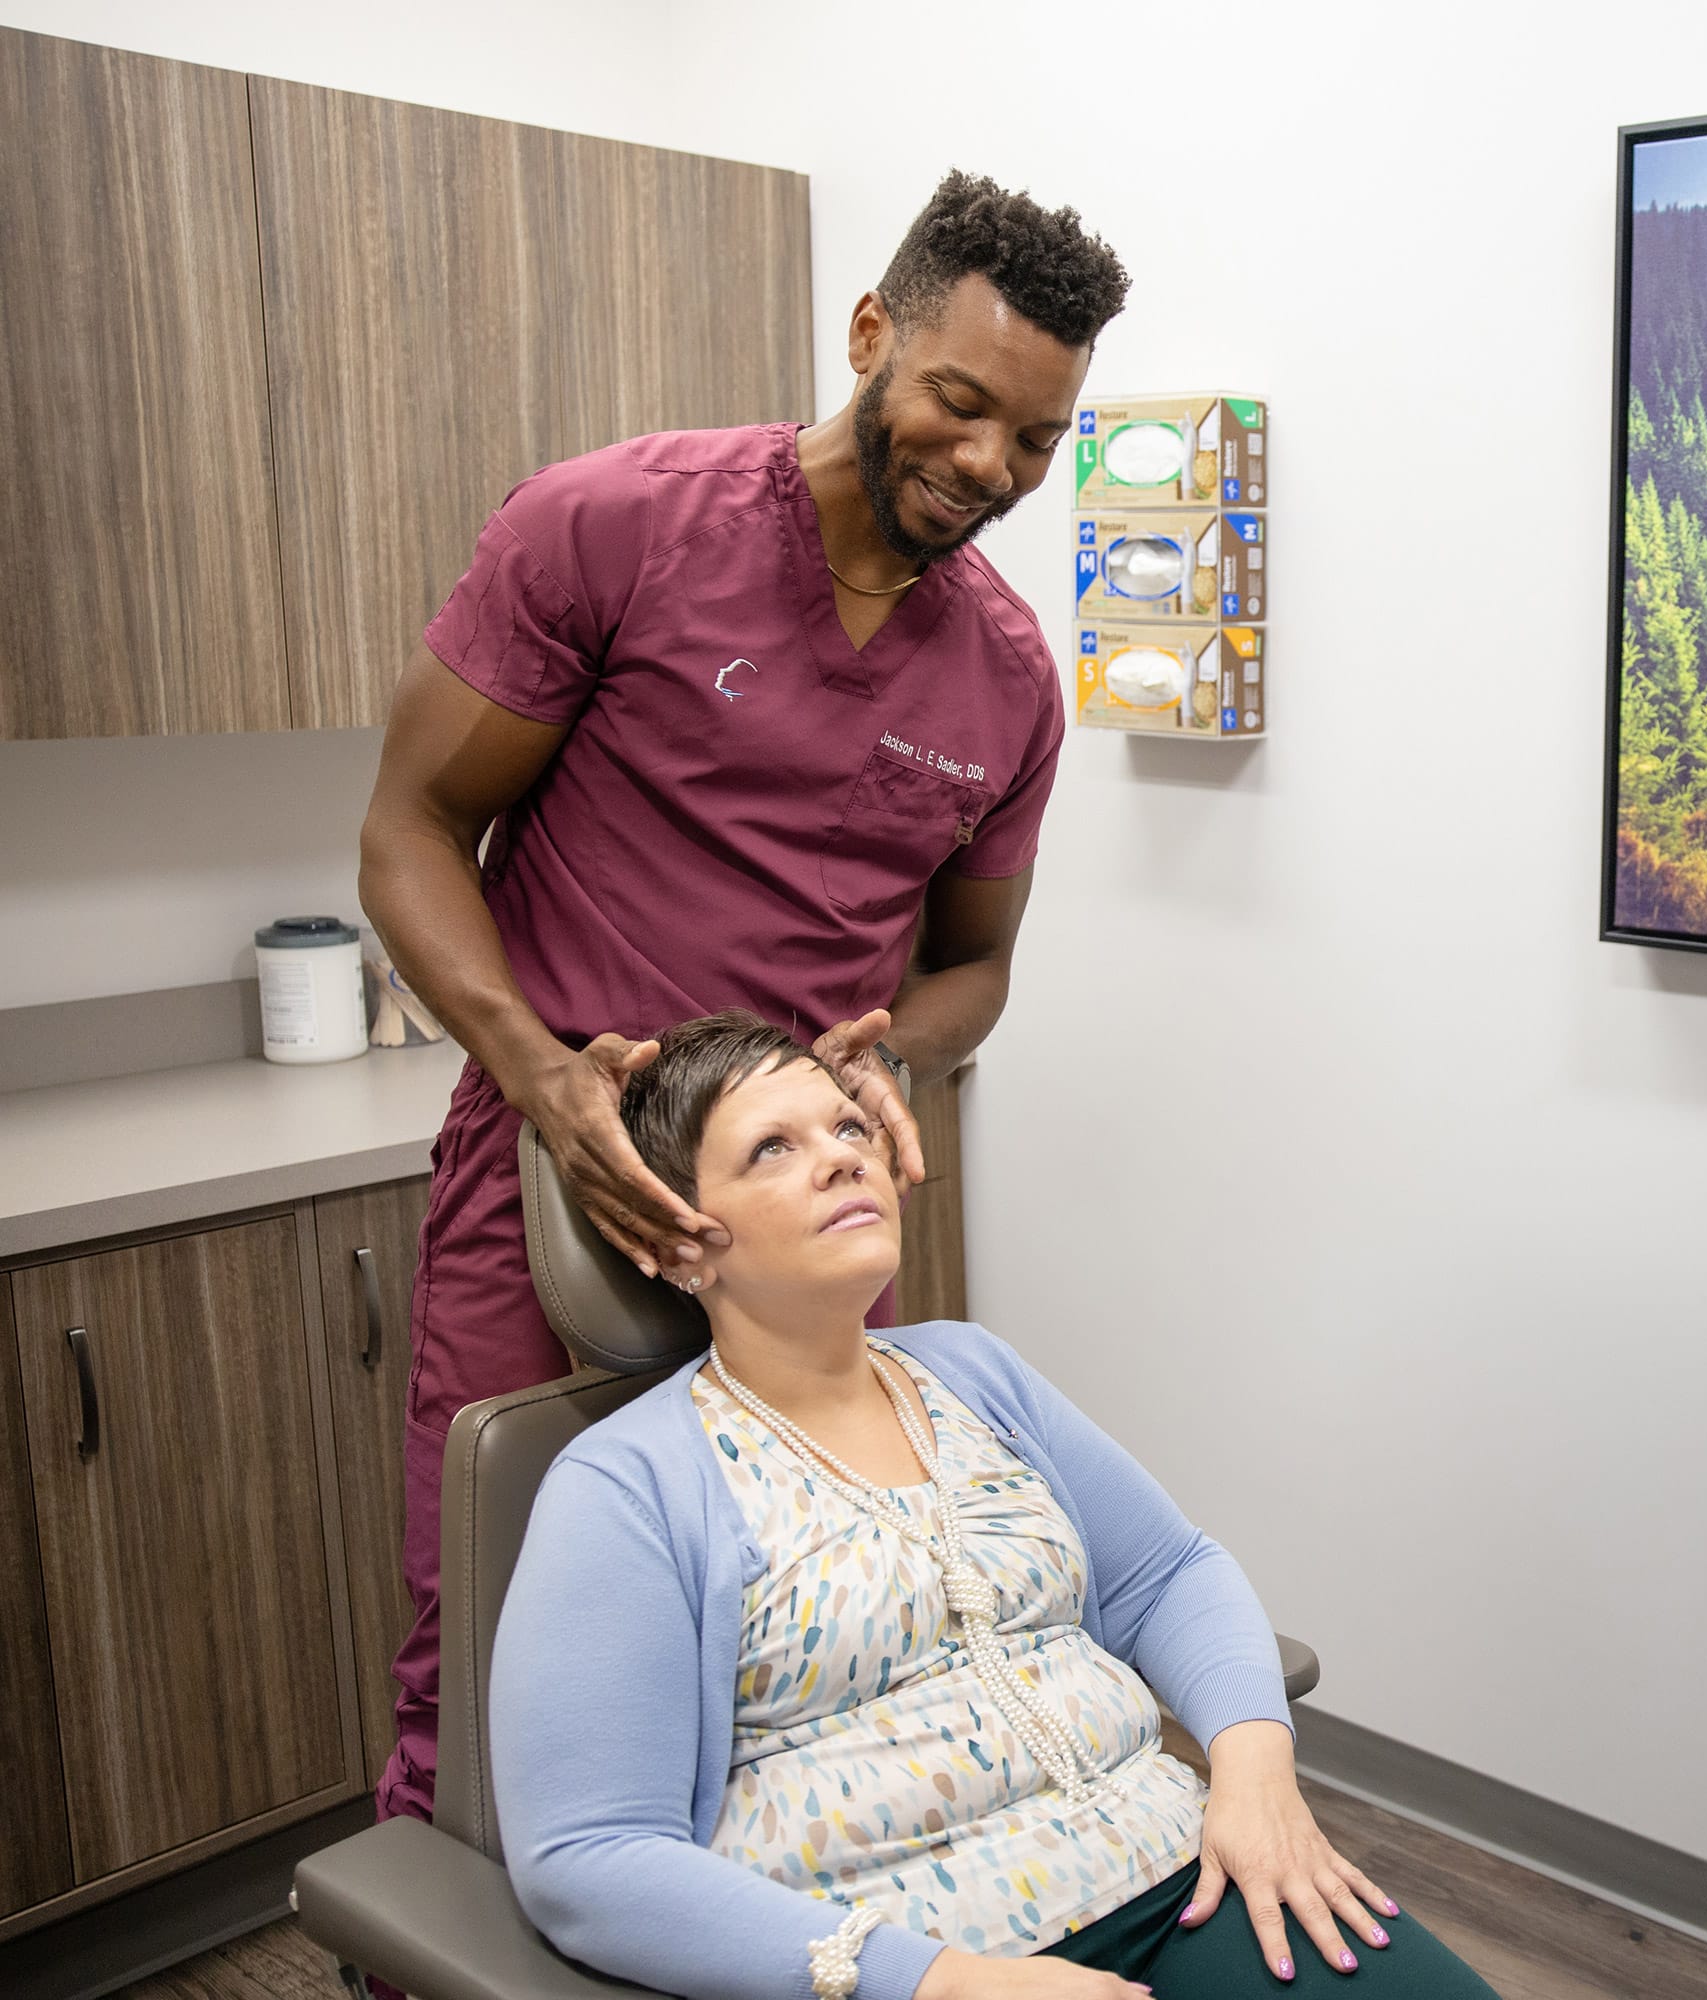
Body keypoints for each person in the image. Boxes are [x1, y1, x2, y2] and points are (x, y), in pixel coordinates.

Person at [358, 170, 1129, 1830]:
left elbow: (974, 969)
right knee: (492, 1652)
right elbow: (412, 829)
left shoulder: (1002, 678)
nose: (990, 464)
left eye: (1038, 440)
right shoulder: (617, 526)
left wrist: (893, 1053)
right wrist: (536, 1067)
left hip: (798, 1217)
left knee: (806, 1644)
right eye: (960, 401)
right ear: (871, 334)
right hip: (553, 1179)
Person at [489, 1014, 1503, 2000]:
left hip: (1189, 1871)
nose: (846, 1156)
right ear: (674, 1238)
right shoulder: (628, 1484)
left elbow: (1168, 1573)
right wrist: (936, 1978)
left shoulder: (970, 1371)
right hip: (912, 1956)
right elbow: (589, 1852)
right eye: (772, 1148)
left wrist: (1253, 1772)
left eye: (847, 1125)